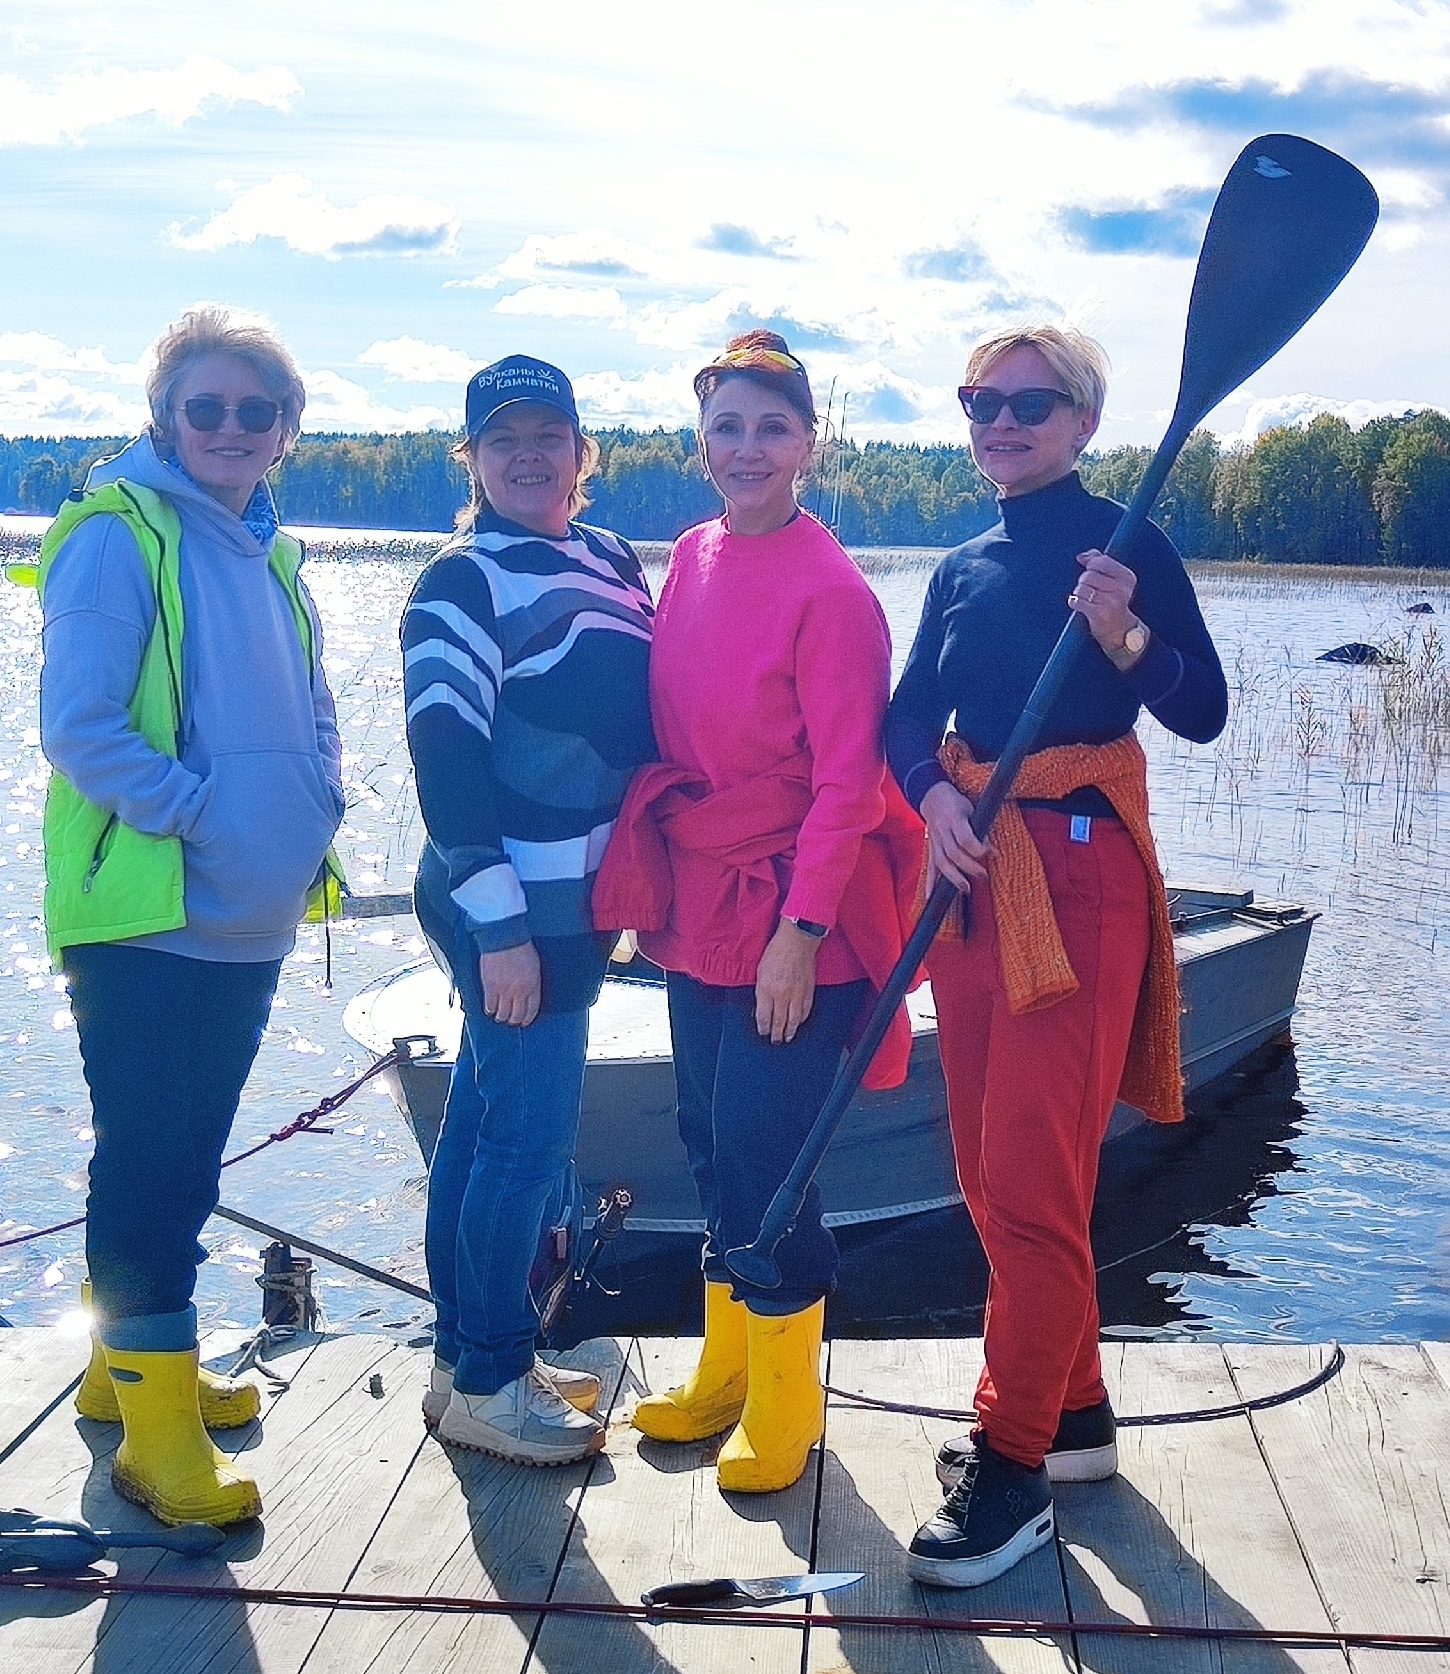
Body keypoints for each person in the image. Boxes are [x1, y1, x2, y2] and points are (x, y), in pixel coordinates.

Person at [885, 325, 1228, 1586]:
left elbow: (1201, 711)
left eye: (1030, 402)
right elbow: (906, 709)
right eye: (981, 400)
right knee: (989, 1170)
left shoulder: (1128, 546)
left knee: (1030, 1181)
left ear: (1083, 421)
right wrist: (929, 796)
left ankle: (1013, 1464)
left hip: (1079, 879)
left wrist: (1130, 637)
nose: (1000, 420)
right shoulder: (965, 563)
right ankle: (1074, 1416)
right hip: (976, 871)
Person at [27, 305, 344, 1527]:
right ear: (166, 418)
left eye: (252, 410)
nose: (228, 427)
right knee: (155, 1165)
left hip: (246, 916)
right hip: (148, 913)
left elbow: (313, 709)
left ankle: (126, 1372)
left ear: (284, 431)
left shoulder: (269, 548)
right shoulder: (118, 536)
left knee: (184, 1161)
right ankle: (153, 1445)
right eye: (203, 407)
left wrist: (310, 805)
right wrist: (211, 817)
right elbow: (80, 729)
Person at [594, 330, 921, 1494]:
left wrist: (802, 933)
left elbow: (847, 782)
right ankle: (724, 1370)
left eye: (770, 428)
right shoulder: (688, 553)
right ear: (700, 440)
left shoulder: (832, 593)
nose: (747, 449)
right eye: (726, 427)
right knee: (706, 1141)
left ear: (808, 445)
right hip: (698, 903)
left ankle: (787, 1410)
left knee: (770, 1160)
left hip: (794, 916)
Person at [402, 355, 655, 1467]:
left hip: (575, 901)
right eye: (499, 438)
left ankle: (463, 1360)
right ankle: (494, 1380)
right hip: (508, 904)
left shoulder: (604, 556)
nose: (525, 454)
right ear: (470, 458)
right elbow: (443, 755)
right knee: (525, 1139)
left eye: (546, 432)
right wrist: (499, 927)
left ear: (580, 451)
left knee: (479, 1122)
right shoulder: (458, 579)